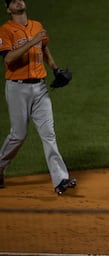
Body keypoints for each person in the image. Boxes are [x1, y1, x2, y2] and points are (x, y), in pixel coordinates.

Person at [0, 0, 76, 195]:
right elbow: (8, 59)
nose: (17, 1)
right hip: (17, 89)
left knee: (49, 135)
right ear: (8, 9)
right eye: (11, 1)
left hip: (40, 87)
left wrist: (54, 68)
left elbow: (44, 48)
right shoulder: (5, 30)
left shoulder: (37, 26)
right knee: (18, 135)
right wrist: (31, 42)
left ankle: (60, 180)